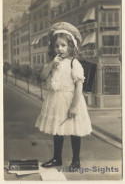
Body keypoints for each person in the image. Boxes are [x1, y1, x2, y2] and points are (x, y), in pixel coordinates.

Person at [35, 22, 92, 170]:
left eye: (63, 45)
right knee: (58, 131)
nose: (60, 49)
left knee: (74, 131)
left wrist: (74, 106)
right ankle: (57, 158)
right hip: (56, 101)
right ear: (53, 47)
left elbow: (79, 86)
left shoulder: (74, 63)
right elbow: (42, 76)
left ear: (71, 46)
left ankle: (76, 160)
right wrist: (51, 64)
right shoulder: (54, 62)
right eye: (57, 46)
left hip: (71, 100)